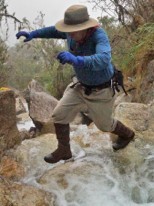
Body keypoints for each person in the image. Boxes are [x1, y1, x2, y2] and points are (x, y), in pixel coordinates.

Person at [16, 5, 135, 164]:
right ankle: (64, 150)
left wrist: (76, 60)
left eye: (73, 31)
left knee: (104, 125)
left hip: (102, 90)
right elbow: (54, 31)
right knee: (59, 115)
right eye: (68, 31)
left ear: (85, 27)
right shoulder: (71, 32)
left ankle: (127, 134)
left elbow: (103, 59)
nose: (69, 34)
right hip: (80, 86)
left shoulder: (99, 36)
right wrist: (33, 34)